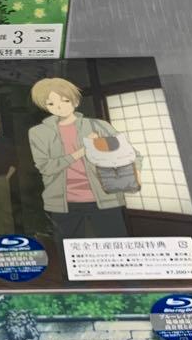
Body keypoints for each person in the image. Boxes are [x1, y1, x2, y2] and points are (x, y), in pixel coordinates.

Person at [27, 77, 139, 253]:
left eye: (65, 100)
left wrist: (100, 146)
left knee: (119, 252)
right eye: (51, 103)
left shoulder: (98, 125)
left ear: (76, 101)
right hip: (62, 202)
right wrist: (81, 152)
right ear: (45, 106)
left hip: (105, 198)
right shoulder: (38, 132)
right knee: (69, 255)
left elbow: (131, 155)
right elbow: (45, 167)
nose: (59, 106)